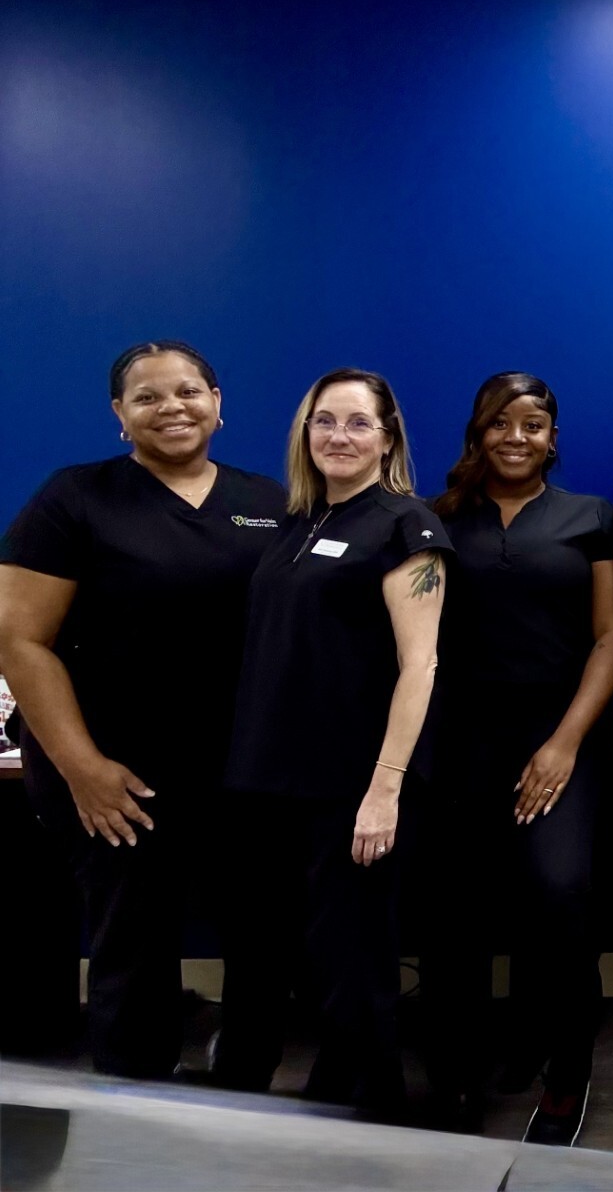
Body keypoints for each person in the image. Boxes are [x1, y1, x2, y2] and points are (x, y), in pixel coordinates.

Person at [0, 342, 284, 1081]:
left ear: (219, 403)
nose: (173, 408)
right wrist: (82, 769)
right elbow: (19, 639)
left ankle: (246, 1092)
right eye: (148, 397)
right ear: (120, 416)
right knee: (134, 950)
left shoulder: (269, 502)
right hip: (119, 774)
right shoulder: (75, 497)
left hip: (242, 771)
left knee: (261, 940)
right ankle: (136, 1118)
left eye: (189, 391)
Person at [216, 369, 447, 1114]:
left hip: (349, 788)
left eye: (357, 423)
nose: (338, 437)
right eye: (324, 421)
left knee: (357, 969)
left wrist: (384, 790)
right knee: (266, 962)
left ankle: (377, 1129)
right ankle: (278, 1109)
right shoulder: (296, 524)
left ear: (388, 437)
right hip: (265, 782)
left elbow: (421, 666)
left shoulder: (406, 527)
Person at [422, 372, 613, 1146]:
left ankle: (566, 1076)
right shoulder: (439, 520)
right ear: (478, 431)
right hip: (461, 742)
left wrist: (564, 743)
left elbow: (610, 637)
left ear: (552, 436)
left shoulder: (587, 518)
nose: (517, 437)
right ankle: (457, 1079)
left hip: (559, 738)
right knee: (456, 915)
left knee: (561, 892)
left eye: (533, 425)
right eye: (501, 423)